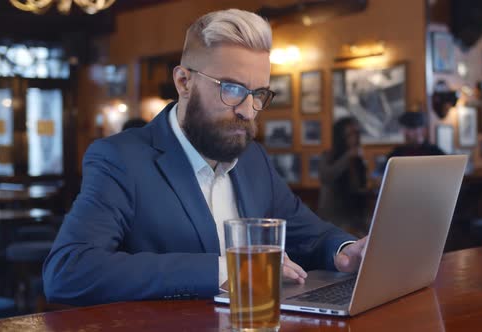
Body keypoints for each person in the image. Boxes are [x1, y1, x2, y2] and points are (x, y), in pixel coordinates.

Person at [43, 9, 366, 306]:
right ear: (184, 81)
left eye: (258, 94)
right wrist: (228, 270)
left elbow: (310, 233)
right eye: (232, 88)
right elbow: (69, 270)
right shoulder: (121, 159)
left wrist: (343, 250)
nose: (247, 110)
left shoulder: (254, 159)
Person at [318, 117, 368, 236]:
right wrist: (347, 156)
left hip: (354, 217)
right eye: (350, 134)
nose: (354, 138)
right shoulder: (328, 155)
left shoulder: (357, 159)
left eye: (356, 133)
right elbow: (326, 176)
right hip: (334, 217)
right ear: (341, 136)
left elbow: (358, 186)